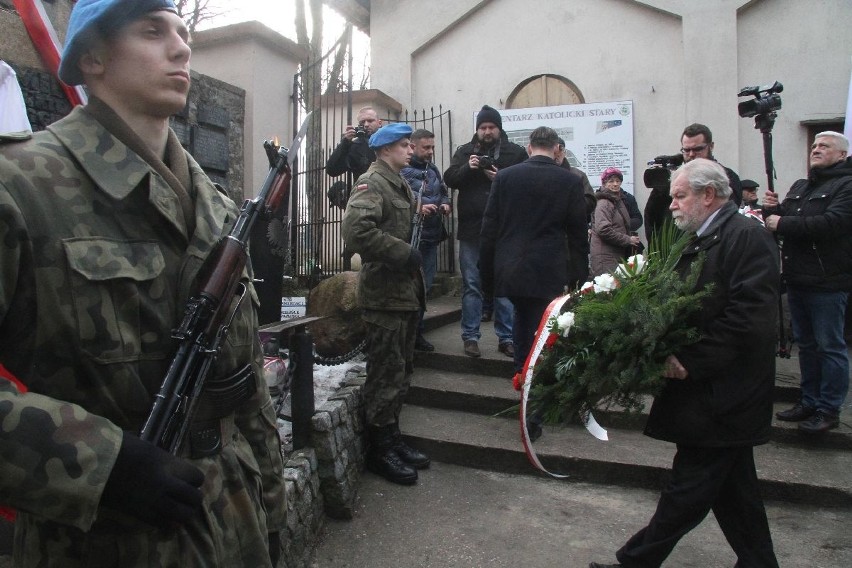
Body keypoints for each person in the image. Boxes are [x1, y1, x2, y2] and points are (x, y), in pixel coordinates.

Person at [0, 1, 286, 566]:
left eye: (182, 32)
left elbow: (243, 382)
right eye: (152, 32)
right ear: (93, 57)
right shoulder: (21, 188)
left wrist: (272, 510)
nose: (181, 47)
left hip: (235, 522)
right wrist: (100, 463)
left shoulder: (219, 208)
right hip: (101, 541)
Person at [590, 158, 780, 568]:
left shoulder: (746, 238)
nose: (671, 205)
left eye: (679, 196)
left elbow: (750, 320)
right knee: (735, 493)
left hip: (725, 396)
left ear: (708, 195)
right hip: (714, 395)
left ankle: (633, 563)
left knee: (686, 492)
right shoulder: (704, 238)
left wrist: (689, 360)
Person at [342, 122, 430, 485]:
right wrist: (403, 253)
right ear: (384, 150)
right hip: (385, 296)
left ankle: (392, 437)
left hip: (403, 295)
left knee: (401, 370)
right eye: (404, 145)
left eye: (411, 145)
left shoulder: (400, 182)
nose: (411, 150)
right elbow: (357, 231)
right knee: (385, 373)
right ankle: (379, 449)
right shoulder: (372, 181)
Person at [479, 126, 589, 375]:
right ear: (556, 149)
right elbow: (577, 234)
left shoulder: (505, 177)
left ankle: (522, 373)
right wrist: (579, 277)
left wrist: (486, 273)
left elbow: (489, 229)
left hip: (513, 265)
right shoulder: (570, 181)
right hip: (549, 267)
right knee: (546, 322)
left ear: (529, 147)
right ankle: (538, 377)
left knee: (522, 316)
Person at [765, 131, 852, 434]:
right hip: (798, 279)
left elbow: (833, 223)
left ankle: (829, 408)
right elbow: (782, 222)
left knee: (830, 347)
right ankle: (809, 400)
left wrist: (782, 221)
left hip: (828, 281)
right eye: (814, 145)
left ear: (842, 155)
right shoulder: (802, 186)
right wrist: (772, 210)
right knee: (807, 346)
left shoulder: (847, 185)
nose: (816, 150)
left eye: (824, 146)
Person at [444, 104, 527, 358]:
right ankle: (470, 337)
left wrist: (501, 177)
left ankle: (507, 338)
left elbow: (525, 183)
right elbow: (450, 179)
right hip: (471, 230)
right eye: (482, 127)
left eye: (491, 127)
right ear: (477, 129)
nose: (487, 131)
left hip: (504, 230)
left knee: (504, 285)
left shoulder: (515, 153)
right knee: (472, 285)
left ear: (499, 129)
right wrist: (467, 168)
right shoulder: (465, 152)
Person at [401, 128, 452, 352]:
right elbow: (400, 199)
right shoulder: (402, 170)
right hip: (411, 239)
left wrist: (445, 203)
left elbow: (442, 191)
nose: (431, 152)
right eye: (426, 148)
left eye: (432, 147)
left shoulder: (433, 169)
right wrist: (418, 207)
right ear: (413, 146)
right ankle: (408, 336)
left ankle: (418, 333)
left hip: (430, 238)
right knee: (409, 290)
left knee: (425, 289)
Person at [590, 167, 642, 277]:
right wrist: (628, 239)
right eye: (611, 181)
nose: (615, 184)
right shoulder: (604, 203)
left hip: (614, 254)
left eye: (618, 181)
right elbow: (603, 229)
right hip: (605, 257)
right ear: (604, 183)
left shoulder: (616, 200)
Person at [681, 123, 743, 206]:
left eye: (698, 149)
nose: (691, 154)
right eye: (687, 150)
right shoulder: (679, 176)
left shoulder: (728, 177)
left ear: (711, 146)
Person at [325, 105, 382, 180]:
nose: (366, 125)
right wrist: (345, 142)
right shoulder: (354, 146)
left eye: (370, 121)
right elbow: (332, 171)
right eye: (362, 122)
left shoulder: (390, 141)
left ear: (379, 123)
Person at [555, 136, 596, 218]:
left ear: (565, 152)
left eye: (561, 149)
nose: (557, 153)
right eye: (554, 150)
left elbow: (590, 201)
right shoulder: (542, 174)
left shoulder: (578, 175)